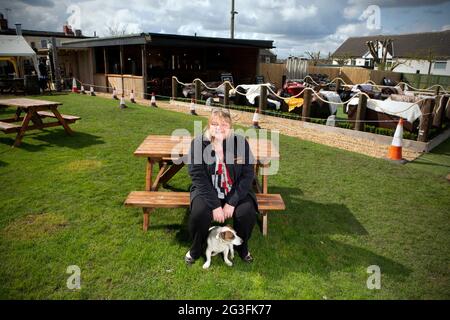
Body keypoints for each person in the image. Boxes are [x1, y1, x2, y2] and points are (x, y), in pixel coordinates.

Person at [185, 108, 258, 265]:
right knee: (199, 213)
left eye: (224, 124)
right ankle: (196, 248)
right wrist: (215, 205)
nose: (219, 128)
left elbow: (248, 174)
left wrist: (231, 202)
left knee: (246, 213)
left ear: (230, 126)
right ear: (209, 125)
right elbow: (197, 175)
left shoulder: (240, 142)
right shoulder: (198, 143)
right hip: (208, 191)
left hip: (235, 191)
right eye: (215, 123)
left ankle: (242, 247)